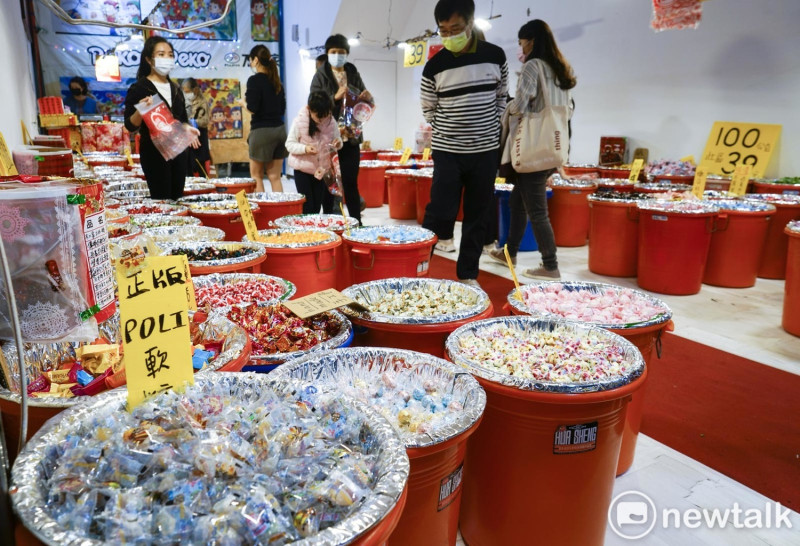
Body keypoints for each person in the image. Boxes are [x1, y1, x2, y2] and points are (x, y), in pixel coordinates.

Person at [420, 0, 508, 287]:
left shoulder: (495, 56)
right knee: (440, 212)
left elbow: (500, 99)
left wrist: (485, 127)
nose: (449, 36)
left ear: (470, 24)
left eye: (455, 29)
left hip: (484, 151)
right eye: (443, 31)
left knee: (478, 213)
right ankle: (419, 269)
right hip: (448, 151)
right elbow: (429, 110)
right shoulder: (434, 65)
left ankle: (468, 274)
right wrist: (454, 128)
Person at [488, 19, 576, 280]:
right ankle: (509, 252)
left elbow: (521, 104)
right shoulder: (560, 70)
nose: (520, 47)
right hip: (552, 146)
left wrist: (506, 108)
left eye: (521, 42)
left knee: (537, 210)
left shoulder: (532, 66)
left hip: (532, 149)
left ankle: (550, 265)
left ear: (532, 41)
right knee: (518, 202)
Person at [124, 36, 200, 200]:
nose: (167, 58)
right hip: (154, 154)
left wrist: (187, 128)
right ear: (149, 60)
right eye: (161, 54)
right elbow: (130, 125)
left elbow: (182, 119)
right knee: (161, 199)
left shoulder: (176, 89)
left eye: (170, 55)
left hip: (178, 152)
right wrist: (141, 110)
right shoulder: (139, 88)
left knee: (177, 199)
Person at [310, 34, 372, 225]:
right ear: (328, 53)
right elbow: (314, 102)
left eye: (342, 52)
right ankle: (330, 223)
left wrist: (366, 97)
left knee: (351, 183)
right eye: (334, 52)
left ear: (347, 54)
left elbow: (364, 100)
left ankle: (357, 223)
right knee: (330, 184)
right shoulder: (321, 75)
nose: (338, 55)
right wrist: (333, 97)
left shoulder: (352, 71)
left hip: (351, 136)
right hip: (328, 138)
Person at [285, 91, 343, 214]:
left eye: (325, 115)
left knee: (316, 207)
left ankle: (316, 233)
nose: (322, 119)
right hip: (303, 171)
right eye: (318, 116)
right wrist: (305, 149)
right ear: (309, 109)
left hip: (322, 171)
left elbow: (338, 140)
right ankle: (307, 232)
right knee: (307, 207)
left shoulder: (331, 122)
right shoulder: (299, 121)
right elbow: (289, 144)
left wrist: (338, 143)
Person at [246, 45, 286, 193]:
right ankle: (280, 213)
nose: (251, 64)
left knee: (256, 175)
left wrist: (243, 103)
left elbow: (252, 108)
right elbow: (282, 109)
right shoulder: (276, 82)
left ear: (256, 60)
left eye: (251, 60)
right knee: (275, 176)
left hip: (261, 132)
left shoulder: (254, 80)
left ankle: (262, 214)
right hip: (280, 131)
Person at [181, 77, 211, 177]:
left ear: (195, 90)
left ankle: (204, 189)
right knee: (186, 167)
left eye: (187, 92)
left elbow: (205, 121)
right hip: (186, 139)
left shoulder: (202, 102)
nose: (186, 94)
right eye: (184, 92)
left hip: (199, 138)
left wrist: (193, 123)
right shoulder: (182, 100)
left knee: (200, 166)